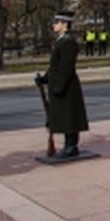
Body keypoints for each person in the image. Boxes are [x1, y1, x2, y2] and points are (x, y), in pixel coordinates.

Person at [35, 11, 88, 158]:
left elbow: (66, 67)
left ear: (65, 25)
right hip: (60, 84)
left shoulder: (68, 43)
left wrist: (60, 86)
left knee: (69, 116)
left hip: (67, 86)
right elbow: (54, 67)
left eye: (57, 22)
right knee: (64, 116)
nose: (54, 25)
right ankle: (68, 144)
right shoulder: (60, 41)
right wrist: (44, 79)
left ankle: (71, 145)